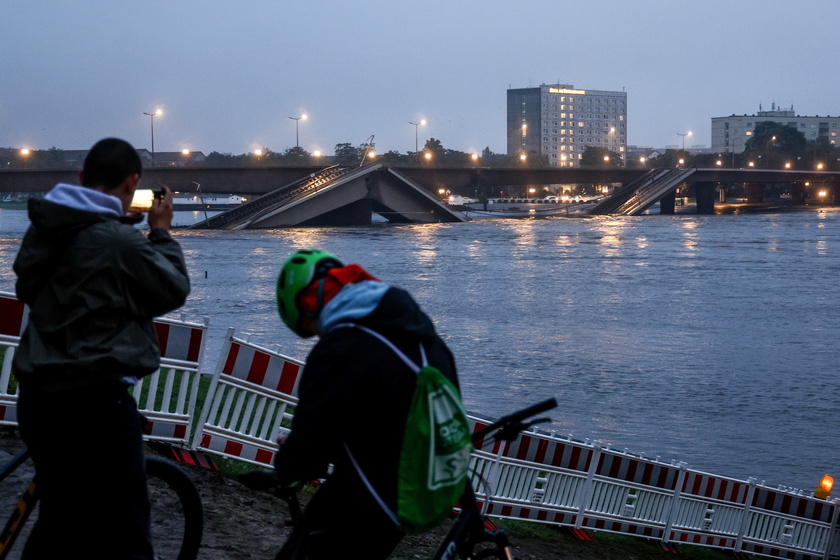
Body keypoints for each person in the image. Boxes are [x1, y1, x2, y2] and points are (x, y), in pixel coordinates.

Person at [12, 138, 190, 559]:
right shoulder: (117, 242)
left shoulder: (47, 231)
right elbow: (173, 287)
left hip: (38, 398)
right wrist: (160, 231)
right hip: (93, 404)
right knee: (126, 531)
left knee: (61, 519)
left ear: (80, 178)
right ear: (133, 182)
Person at [272, 248, 461, 559]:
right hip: (429, 480)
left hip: (374, 489)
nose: (318, 336)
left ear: (310, 307)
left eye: (310, 328)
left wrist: (291, 460)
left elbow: (308, 448)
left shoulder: (343, 344)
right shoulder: (413, 327)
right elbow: (386, 410)